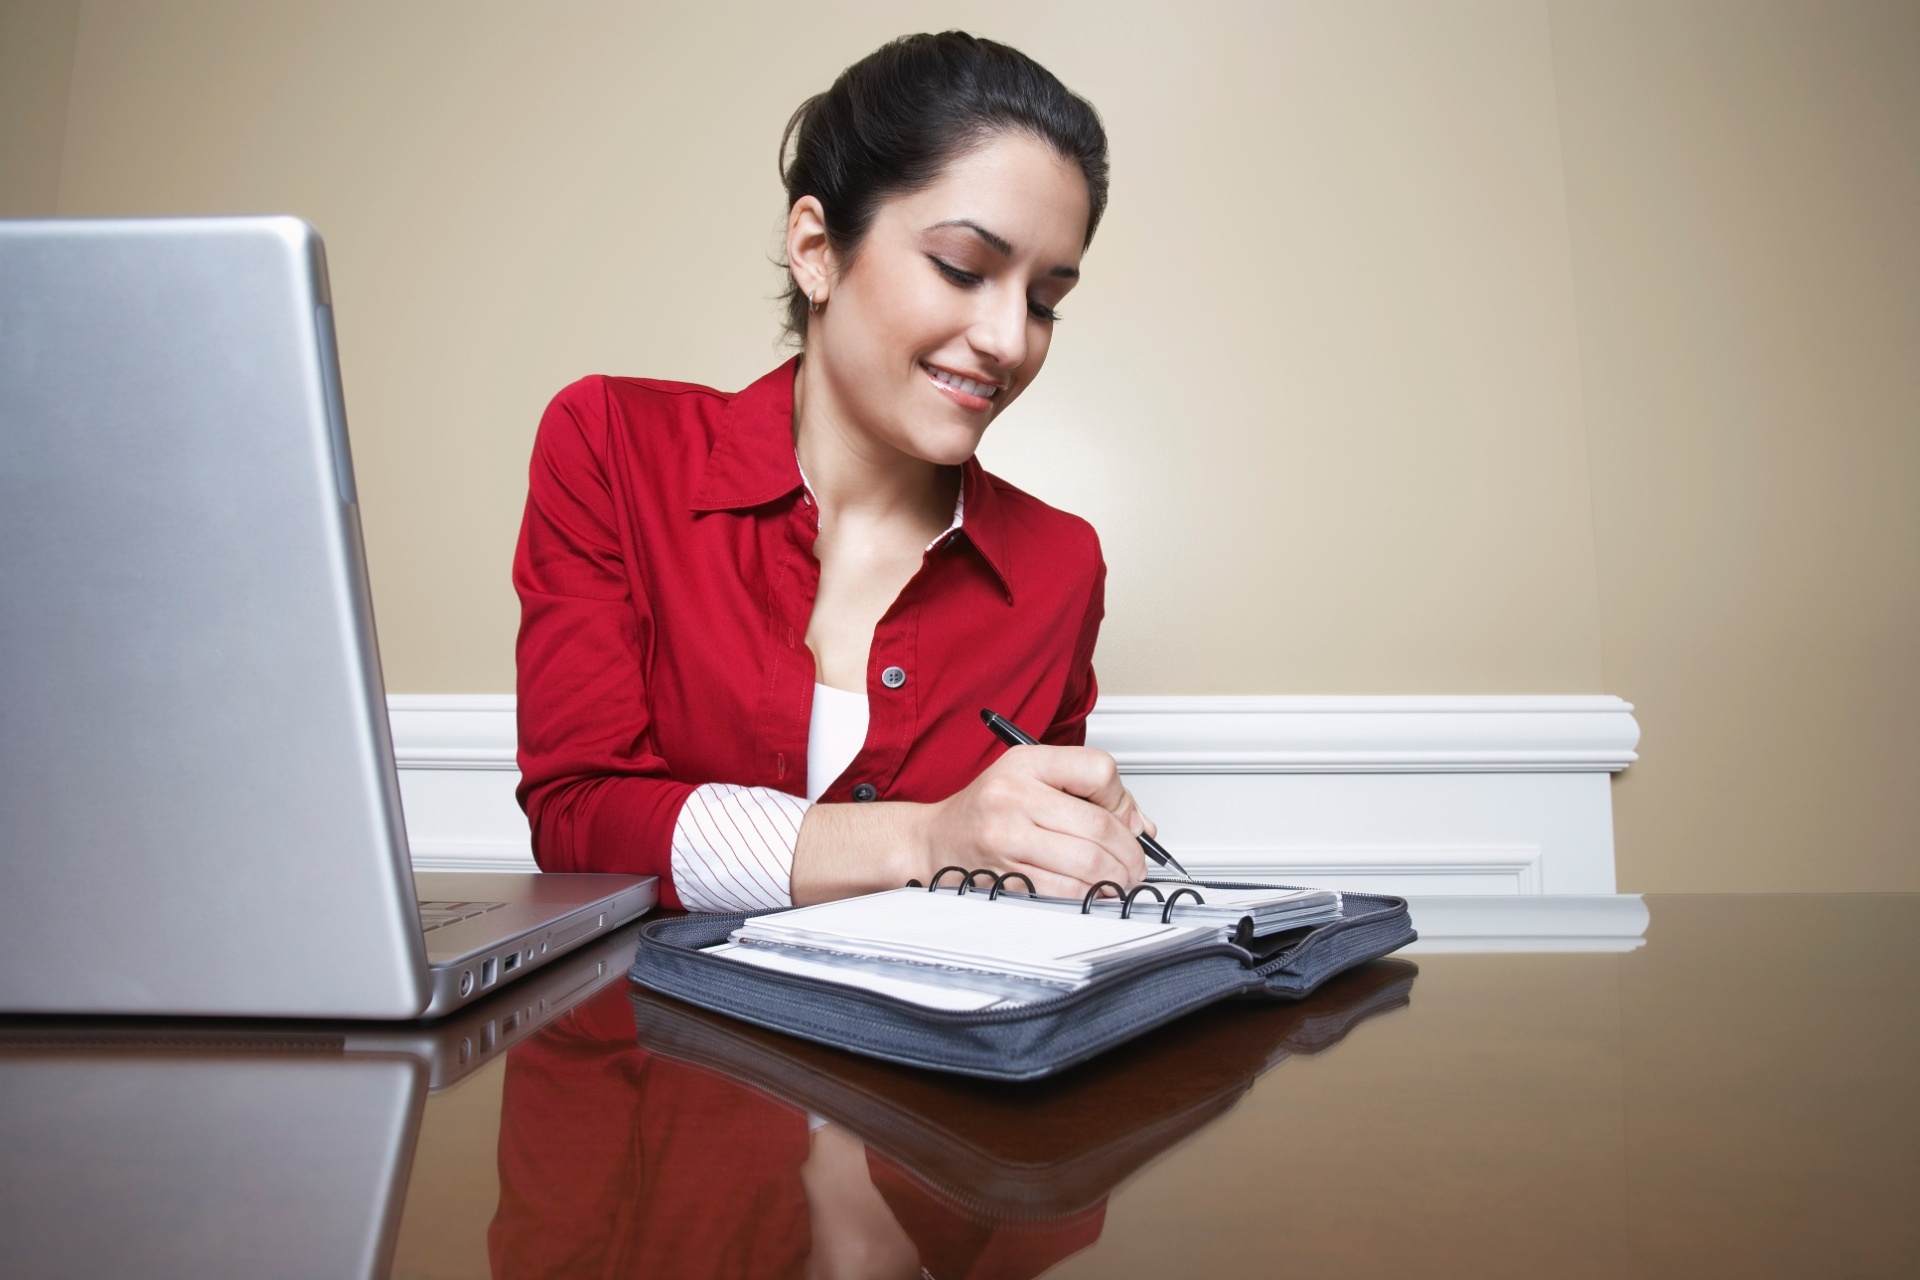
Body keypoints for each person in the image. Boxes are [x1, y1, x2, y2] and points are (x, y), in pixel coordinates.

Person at [513, 32, 1155, 913]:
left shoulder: (1060, 567)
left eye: (1045, 302)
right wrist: (926, 838)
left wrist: (1070, 848)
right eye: (964, 269)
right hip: (650, 1048)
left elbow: (1017, 912)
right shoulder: (612, 446)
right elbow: (579, 822)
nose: (1011, 341)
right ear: (816, 248)